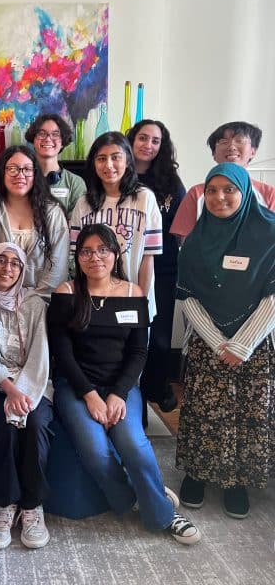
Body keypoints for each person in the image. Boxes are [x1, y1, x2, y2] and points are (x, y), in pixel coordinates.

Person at [48, 224, 200, 546]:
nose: (95, 258)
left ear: (115, 255)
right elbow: (62, 353)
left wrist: (118, 393)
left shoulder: (133, 293)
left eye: (103, 250)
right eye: (87, 251)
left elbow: (138, 351)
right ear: (79, 257)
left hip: (122, 386)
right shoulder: (66, 293)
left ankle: (161, 513)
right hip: (76, 387)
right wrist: (90, 396)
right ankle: (132, 497)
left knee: (132, 443)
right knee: (95, 449)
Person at [175, 162, 275, 519]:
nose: (219, 198)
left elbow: (273, 296)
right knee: (203, 411)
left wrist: (243, 343)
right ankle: (197, 474)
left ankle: (237, 482)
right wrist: (219, 343)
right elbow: (187, 296)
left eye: (229, 190)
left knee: (247, 413)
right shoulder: (197, 240)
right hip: (208, 341)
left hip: (256, 342)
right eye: (212, 191)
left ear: (245, 192)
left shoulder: (270, 235)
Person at [0, 242, 53, 550]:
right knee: (3, 425)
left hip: (35, 385)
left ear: (23, 270)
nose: (7, 268)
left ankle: (32, 506)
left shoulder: (35, 303)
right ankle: (4, 504)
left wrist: (24, 392)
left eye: (15, 263)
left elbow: (41, 354)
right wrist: (9, 388)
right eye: (0, 261)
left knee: (35, 425)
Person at [69, 131, 162, 319]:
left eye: (116, 157)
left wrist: (140, 300)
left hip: (133, 295)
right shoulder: (83, 203)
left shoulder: (145, 199)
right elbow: (77, 258)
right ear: (94, 164)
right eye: (101, 159)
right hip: (92, 301)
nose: (109, 165)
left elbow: (148, 258)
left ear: (127, 161)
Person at [127, 120, 186, 416]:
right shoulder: (118, 175)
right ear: (132, 140)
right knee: (127, 332)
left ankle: (154, 388)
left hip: (162, 268)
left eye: (155, 140)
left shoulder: (170, 183)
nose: (148, 145)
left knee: (160, 339)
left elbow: (182, 228)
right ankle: (130, 393)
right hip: (123, 267)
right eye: (142, 138)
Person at [0, 145, 69, 298]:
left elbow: (58, 267)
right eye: (13, 169)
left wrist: (34, 303)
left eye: (27, 169)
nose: (20, 175)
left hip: (42, 306)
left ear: (35, 174)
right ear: (2, 173)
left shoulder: (53, 213)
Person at [171, 121, 275, 241]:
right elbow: (186, 244)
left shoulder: (269, 194)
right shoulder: (197, 193)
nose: (231, 147)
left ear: (253, 151)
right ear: (214, 154)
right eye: (223, 142)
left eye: (239, 140)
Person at [25, 113, 86, 215]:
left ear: (62, 142)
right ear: (33, 140)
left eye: (55, 134)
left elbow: (77, 223)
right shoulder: (22, 177)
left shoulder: (75, 183)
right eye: (42, 133)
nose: (48, 139)